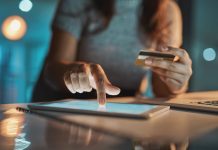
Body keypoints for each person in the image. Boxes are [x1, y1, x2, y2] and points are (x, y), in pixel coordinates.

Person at [32, 0, 192, 104]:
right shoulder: (78, 3)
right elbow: (52, 70)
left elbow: (160, 88)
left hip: (126, 108)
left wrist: (176, 82)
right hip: (68, 102)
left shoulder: (167, 11)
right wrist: (72, 71)